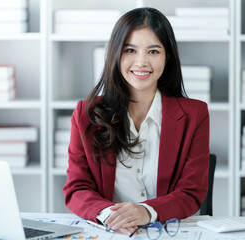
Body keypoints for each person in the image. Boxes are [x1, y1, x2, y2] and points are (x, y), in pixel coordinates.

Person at [63, 7, 210, 235]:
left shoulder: (195, 114)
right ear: (115, 54)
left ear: (167, 57)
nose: (141, 62)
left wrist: (147, 211)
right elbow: (77, 188)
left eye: (153, 51)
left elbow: (191, 192)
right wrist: (110, 215)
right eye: (130, 50)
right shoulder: (86, 113)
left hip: (166, 232)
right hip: (110, 231)